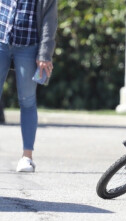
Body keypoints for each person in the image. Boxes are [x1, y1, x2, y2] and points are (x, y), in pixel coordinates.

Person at [0, 0, 58, 172]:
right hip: (1, 41)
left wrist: (45, 53)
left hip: (28, 47)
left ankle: (27, 157)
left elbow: (49, 21)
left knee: (27, 100)